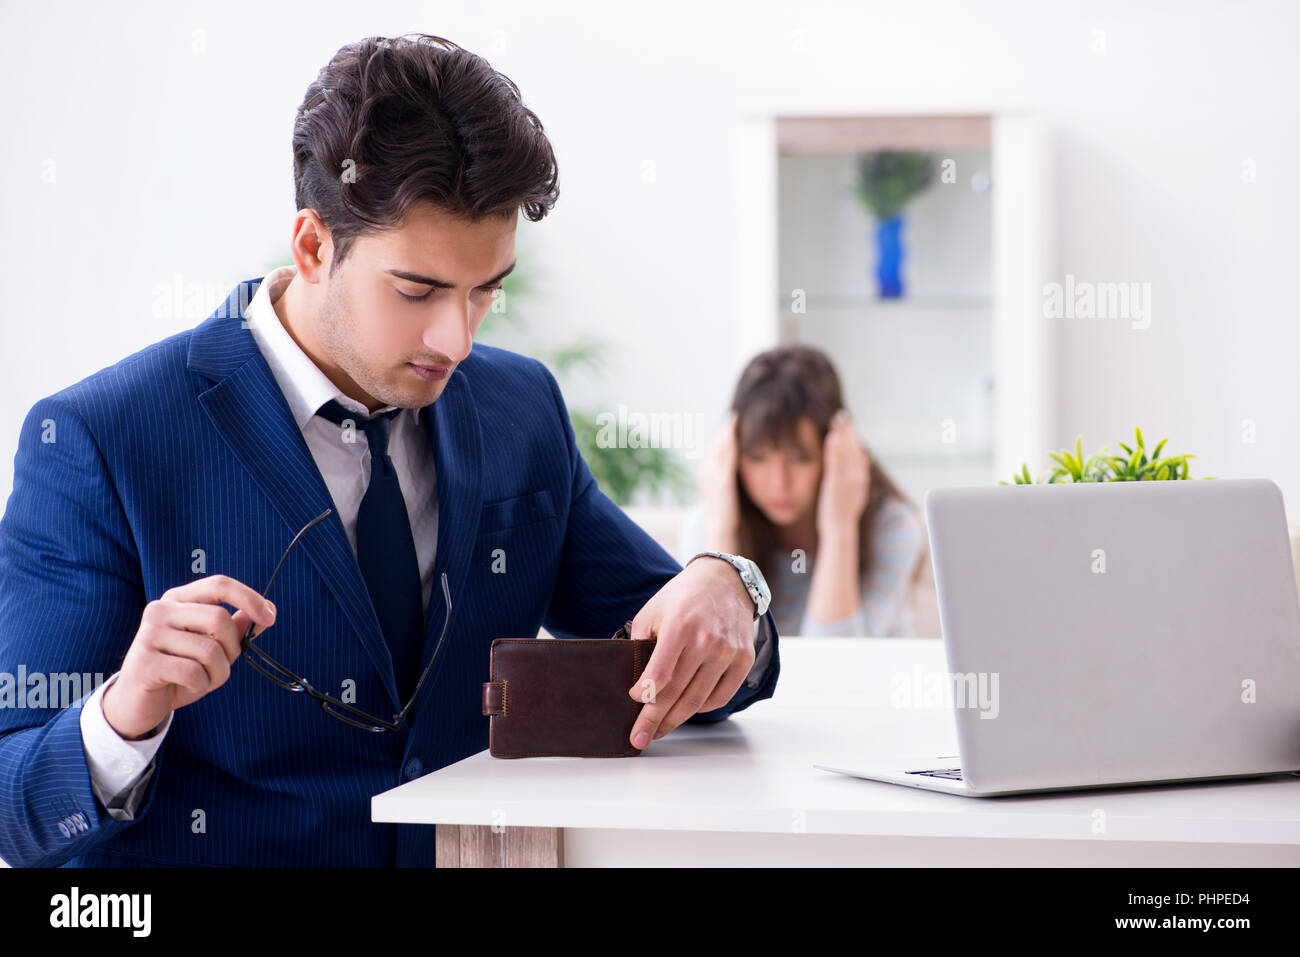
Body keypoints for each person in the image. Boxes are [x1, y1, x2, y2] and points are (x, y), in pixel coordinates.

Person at [0, 33, 779, 868]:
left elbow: (687, 660)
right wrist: (125, 714)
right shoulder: (101, 438)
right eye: (418, 290)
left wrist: (729, 585)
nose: (458, 339)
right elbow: (15, 809)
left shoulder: (521, 410)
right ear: (312, 247)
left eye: (486, 290)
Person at [681, 344, 939, 638]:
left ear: (836, 449)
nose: (779, 483)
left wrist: (839, 529)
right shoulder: (708, 524)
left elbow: (838, 658)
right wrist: (721, 538)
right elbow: (719, 654)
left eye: (800, 458)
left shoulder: (893, 529)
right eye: (758, 457)